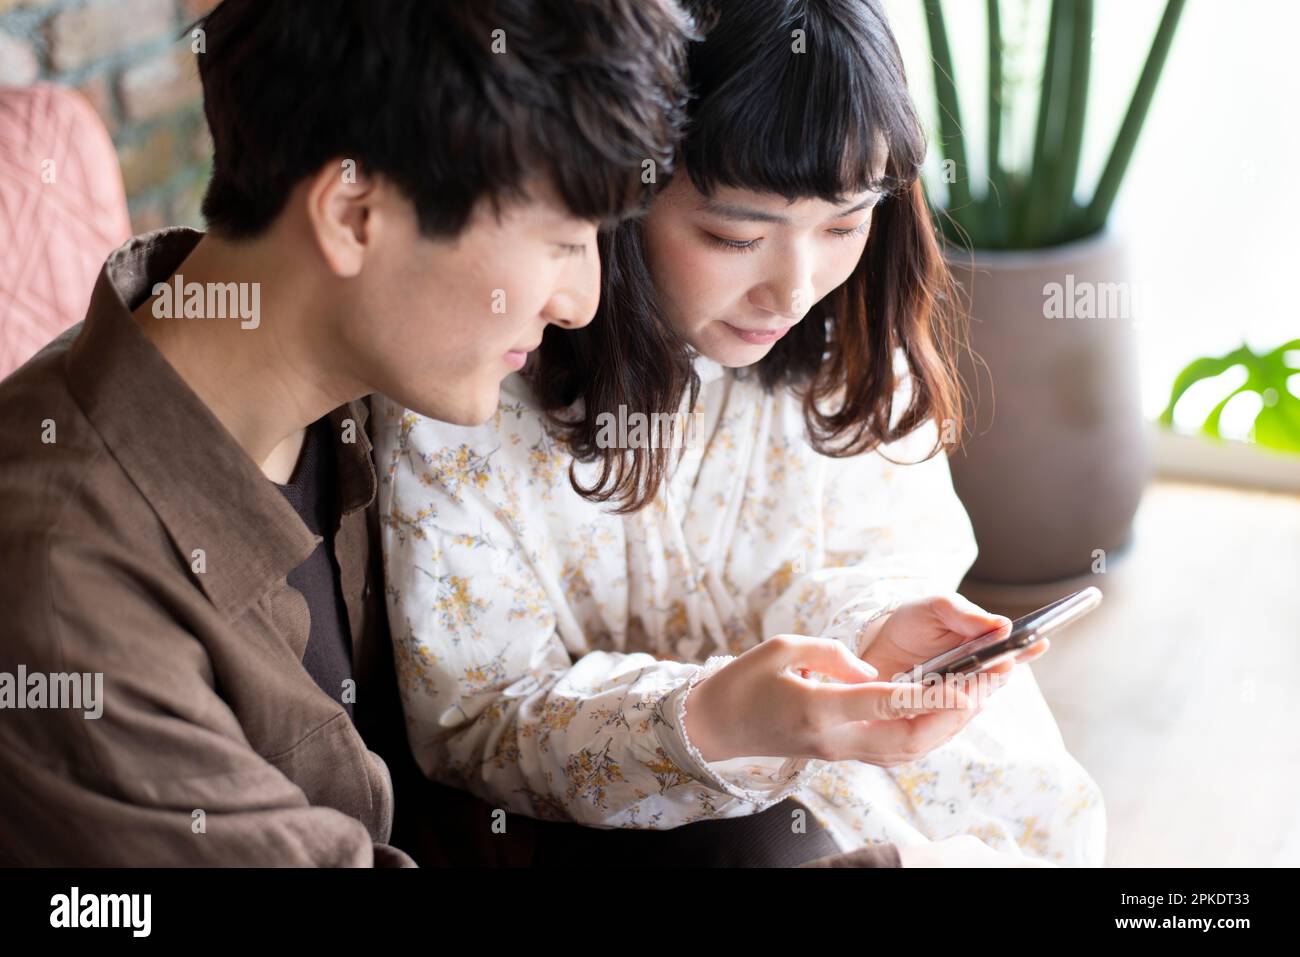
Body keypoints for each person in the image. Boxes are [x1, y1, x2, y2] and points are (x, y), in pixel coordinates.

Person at [376, 0, 1106, 866]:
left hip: (876, 786)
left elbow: (878, 556)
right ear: (614, 193)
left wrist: (876, 634)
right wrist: (717, 716)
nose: (795, 289)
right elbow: (476, 720)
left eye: (844, 224)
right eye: (734, 235)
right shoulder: (463, 383)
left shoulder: (847, 344)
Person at [0, 0, 696, 866]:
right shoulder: (67, 595)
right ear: (354, 214)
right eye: (561, 241)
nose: (582, 300)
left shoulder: (374, 395)